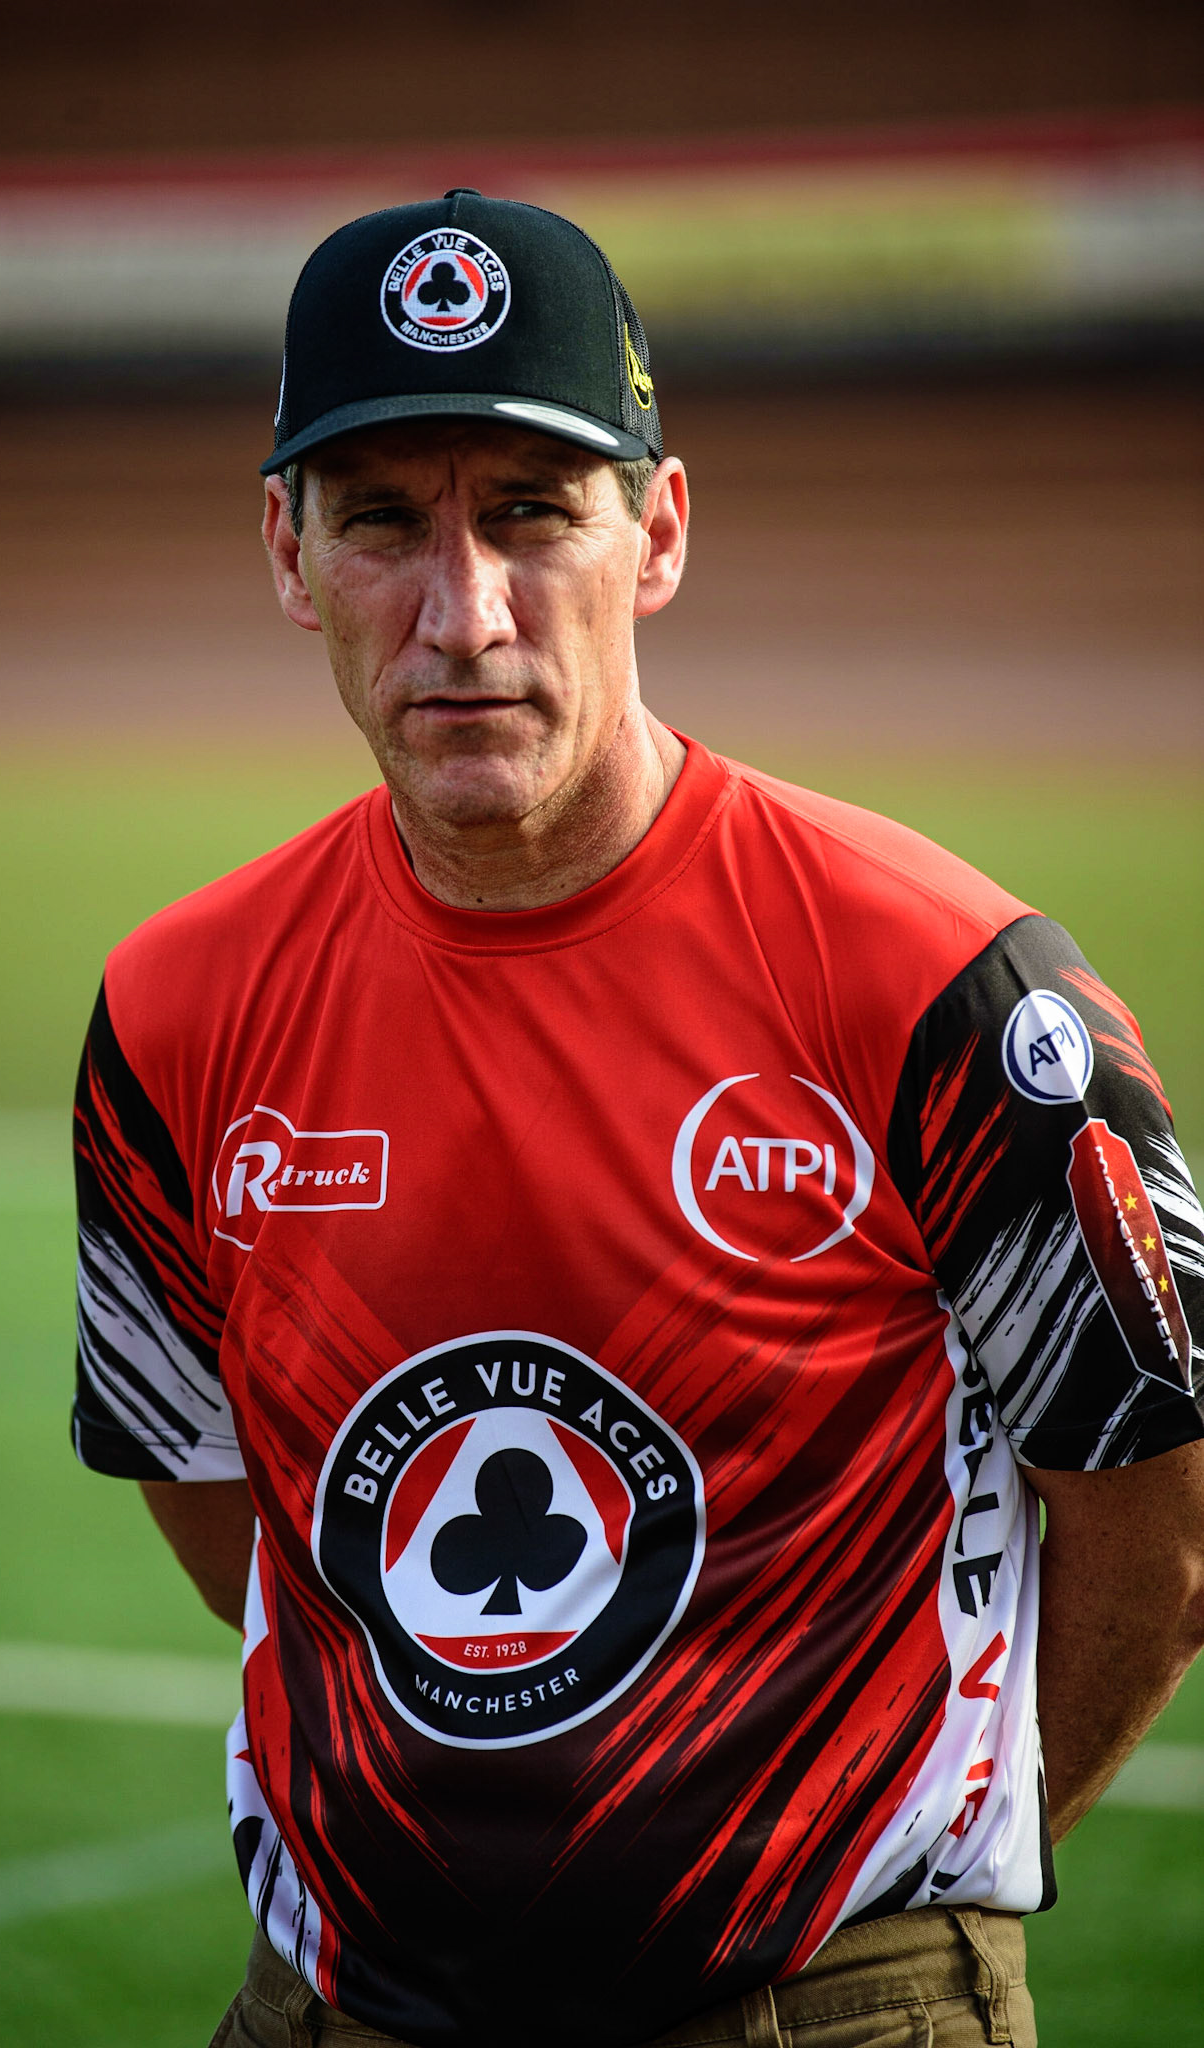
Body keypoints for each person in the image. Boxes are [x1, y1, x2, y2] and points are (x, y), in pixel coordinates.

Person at [71, 189, 1204, 2048]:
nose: (464, 616)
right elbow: (229, 1509)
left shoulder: (953, 990)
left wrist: (893, 1906)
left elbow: (1168, 1533)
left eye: (534, 512)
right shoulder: (170, 1014)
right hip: (336, 2009)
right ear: (289, 551)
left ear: (659, 531)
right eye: (383, 522)